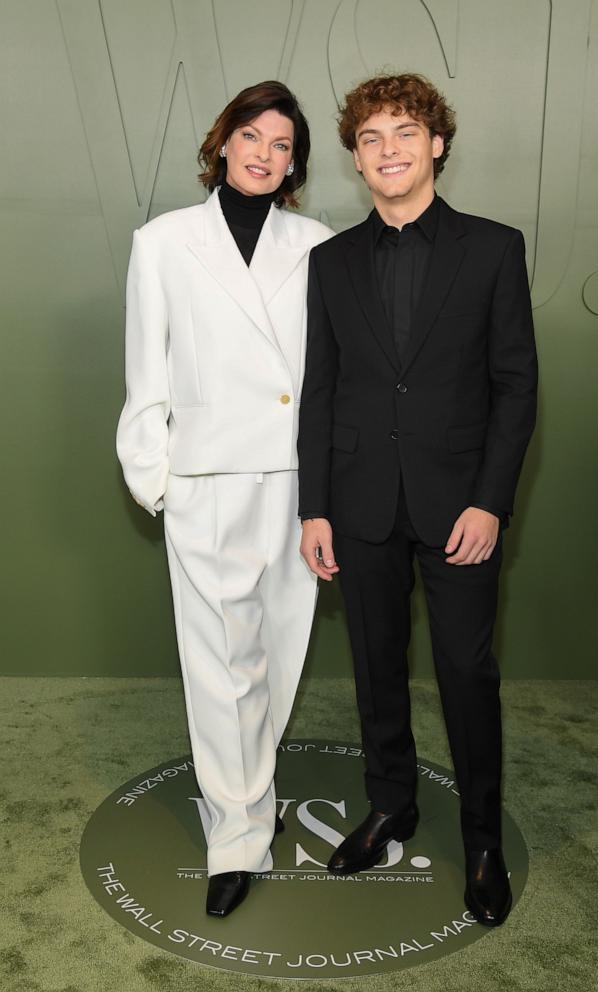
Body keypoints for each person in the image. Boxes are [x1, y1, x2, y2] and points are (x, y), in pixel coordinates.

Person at [297, 72, 537, 927]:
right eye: (370, 137)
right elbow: (319, 389)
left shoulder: (493, 248)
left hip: (459, 508)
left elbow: (515, 388)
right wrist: (313, 507)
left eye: (404, 131)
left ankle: (480, 840)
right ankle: (390, 805)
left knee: (467, 675)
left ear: (436, 143)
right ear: (355, 158)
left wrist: (490, 503)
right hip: (358, 504)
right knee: (374, 669)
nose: (388, 149)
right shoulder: (328, 262)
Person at [116, 80, 334, 918]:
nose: (263, 153)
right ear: (222, 142)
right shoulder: (164, 241)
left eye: (282, 145)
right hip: (206, 478)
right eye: (251, 134)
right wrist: (157, 475)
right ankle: (237, 834)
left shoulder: (318, 243)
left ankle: (253, 787)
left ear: (294, 164)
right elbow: (147, 367)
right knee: (220, 664)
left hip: (293, 483)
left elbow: (328, 381)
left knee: (277, 652)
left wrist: (328, 488)